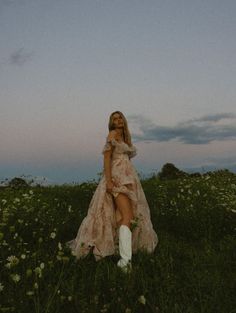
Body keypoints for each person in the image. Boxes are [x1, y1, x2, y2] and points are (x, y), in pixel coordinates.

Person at [66, 111, 158, 273]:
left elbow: (125, 160)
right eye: (115, 119)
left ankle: (121, 253)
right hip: (116, 179)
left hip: (129, 178)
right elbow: (107, 158)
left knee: (125, 217)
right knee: (128, 217)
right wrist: (109, 181)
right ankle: (125, 261)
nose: (118, 120)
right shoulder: (112, 135)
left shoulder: (125, 137)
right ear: (112, 123)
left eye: (120, 117)